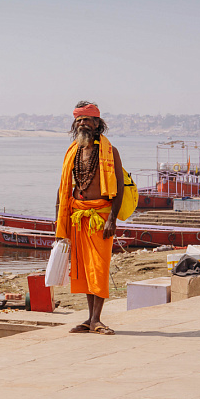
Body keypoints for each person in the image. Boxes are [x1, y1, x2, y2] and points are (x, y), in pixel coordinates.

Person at [55, 101, 126, 336]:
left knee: (99, 267)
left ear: (97, 124)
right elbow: (63, 187)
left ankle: (97, 319)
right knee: (85, 270)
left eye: (87, 120)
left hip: (101, 217)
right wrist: (59, 220)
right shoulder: (73, 151)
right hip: (78, 217)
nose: (82, 124)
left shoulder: (110, 151)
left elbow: (119, 187)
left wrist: (112, 219)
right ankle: (90, 319)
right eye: (79, 120)